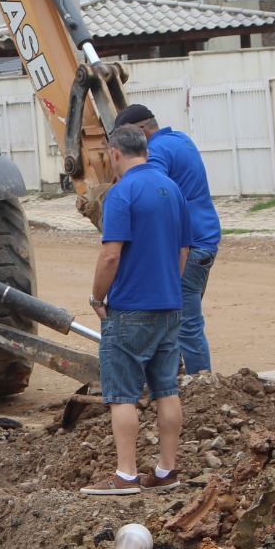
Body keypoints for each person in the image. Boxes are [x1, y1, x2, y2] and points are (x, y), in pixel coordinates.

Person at [81, 123, 192, 497]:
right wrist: (169, 288)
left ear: (114, 153)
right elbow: (183, 250)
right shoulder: (172, 189)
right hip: (169, 305)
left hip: (130, 309)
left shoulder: (121, 192)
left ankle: (126, 475)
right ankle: (166, 470)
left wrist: (98, 298)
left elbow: (111, 254)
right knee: (166, 388)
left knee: (122, 394)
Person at [112, 103, 222, 374]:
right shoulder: (180, 139)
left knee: (187, 324)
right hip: (205, 237)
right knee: (182, 320)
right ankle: (182, 376)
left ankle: (201, 384)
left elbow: (153, 188)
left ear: (140, 131)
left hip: (190, 244)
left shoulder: (157, 151)